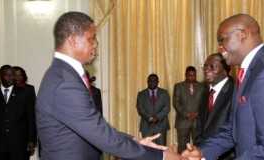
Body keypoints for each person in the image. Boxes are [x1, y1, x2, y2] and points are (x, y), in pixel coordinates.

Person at [36, 11, 181, 160]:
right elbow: (99, 133)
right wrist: (162, 156)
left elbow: (96, 127)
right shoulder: (65, 83)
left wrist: (135, 141)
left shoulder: (64, 75)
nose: (96, 44)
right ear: (73, 40)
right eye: (91, 39)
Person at [182, 13, 264, 159]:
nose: (220, 49)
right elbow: (234, 128)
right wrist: (203, 152)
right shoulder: (248, 71)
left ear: (242, 35)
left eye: (222, 40)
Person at [195, 53, 234, 160]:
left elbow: (233, 131)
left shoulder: (235, 92)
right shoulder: (205, 92)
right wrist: (199, 149)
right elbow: (200, 124)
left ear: (226, 70)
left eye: (212, 66)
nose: (206, 70)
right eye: (205, 66)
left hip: (225, 155)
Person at [0, 65, 36, 160]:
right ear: (0, 77)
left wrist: (32, 140)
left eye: (12, 75)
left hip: (19, 144)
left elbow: (31, 117)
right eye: (7, 75)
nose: (11, 78)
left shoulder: (24, 93)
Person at [173, 66, 204, 153]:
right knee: (182, 146)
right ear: (185, 75)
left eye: (194, 75)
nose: (192, 77)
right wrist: (187, 114)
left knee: (198, 146)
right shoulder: (178, 86)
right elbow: (176, 103)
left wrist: (197, 114)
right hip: (183, 122)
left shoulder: (202, 87)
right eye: (189, 75)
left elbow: (204, 104)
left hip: (197, 122)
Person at [137, 74, 170, 145]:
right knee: (147, 149)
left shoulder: (164, 93)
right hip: (146, 126)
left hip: (161, 126)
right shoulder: (141, 94)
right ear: (147, 82)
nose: (152, 82)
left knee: (161, 150)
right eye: (150, 81)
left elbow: (167, 108)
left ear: (158, 82)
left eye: (154, 81)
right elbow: (140, 109)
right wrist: (150, 118)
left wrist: (157, 117)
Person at [12, 66, 37, 159]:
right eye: (15, 75)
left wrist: (32, 140)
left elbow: (32, 116)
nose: (18, 77)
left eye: (20, 75)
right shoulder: (6, 91)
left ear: (24, 76)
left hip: (23, 138)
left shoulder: (29, 90)